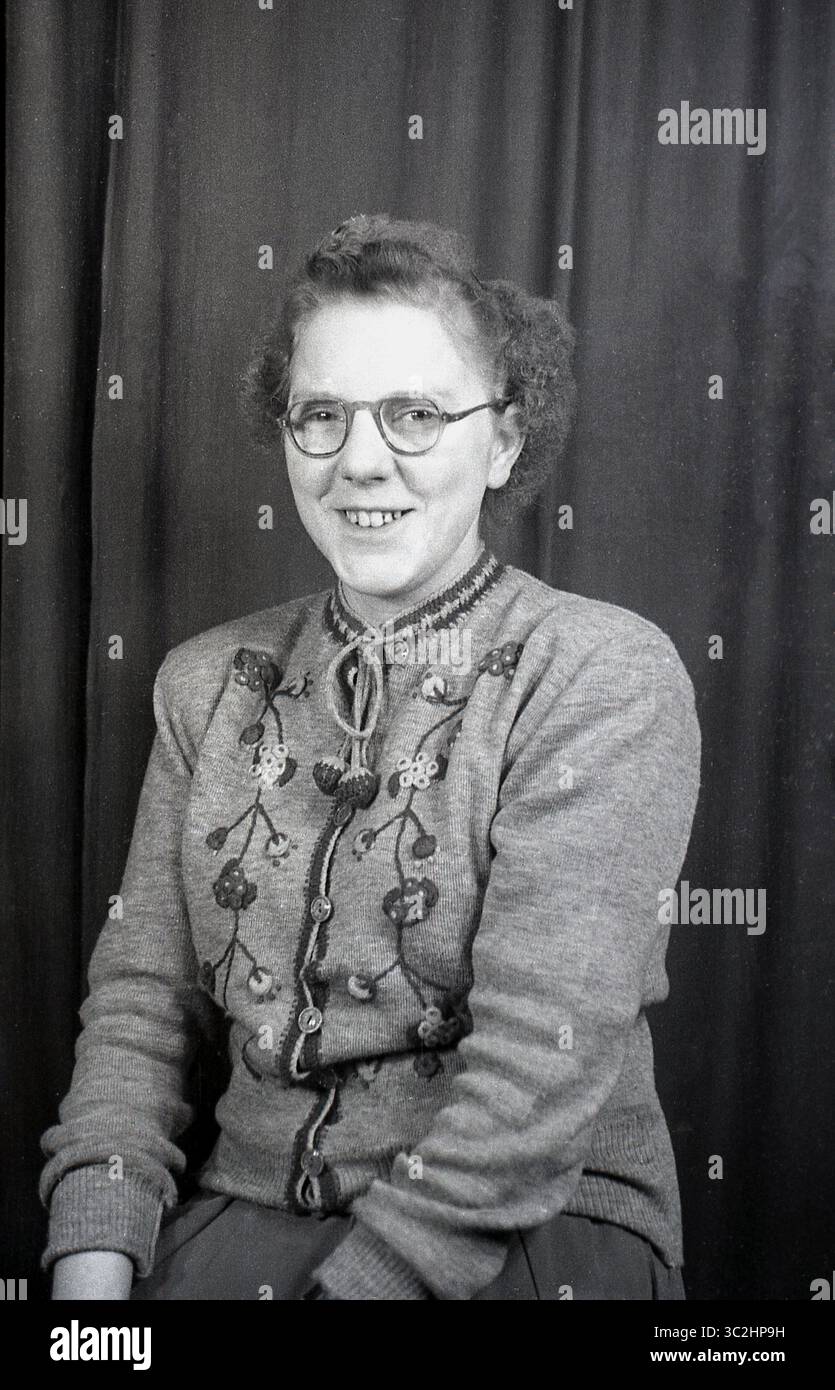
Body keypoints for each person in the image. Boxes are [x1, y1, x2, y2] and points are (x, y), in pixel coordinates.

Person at [40, 213, 701, 1301]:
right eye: (323, 417)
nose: (360, 459)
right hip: (244, 1224)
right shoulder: (205, 682)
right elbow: (140, 1016)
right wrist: (90, 1288)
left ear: (502, 440)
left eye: (414, 414)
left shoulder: (601, 672)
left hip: (526, 1233)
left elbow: (542, 1061)